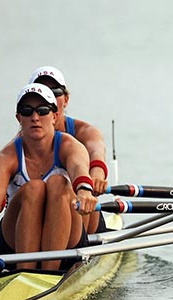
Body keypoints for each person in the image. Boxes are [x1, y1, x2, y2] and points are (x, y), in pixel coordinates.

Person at [0, 83, 98, 270]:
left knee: (58, 183)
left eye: (42, 110)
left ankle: (45, 275)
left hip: (67, 239)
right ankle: (26, 274)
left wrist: (84, 191)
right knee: (34, 189)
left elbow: (78, 169)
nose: (35, 117)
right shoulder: (5, 157)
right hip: (14, 243)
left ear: (55, 116)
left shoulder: (71, 146)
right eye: (27, 111)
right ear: (19, 118)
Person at [28, 66, 110, 234]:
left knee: (62, 185)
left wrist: (97, 175)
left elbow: (96, 151)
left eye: (54, 92)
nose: (48, 97)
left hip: (81, 213)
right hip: (38, 220)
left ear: (65, 99)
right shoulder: (17, 145)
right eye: (42, 92)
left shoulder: (85, 132)